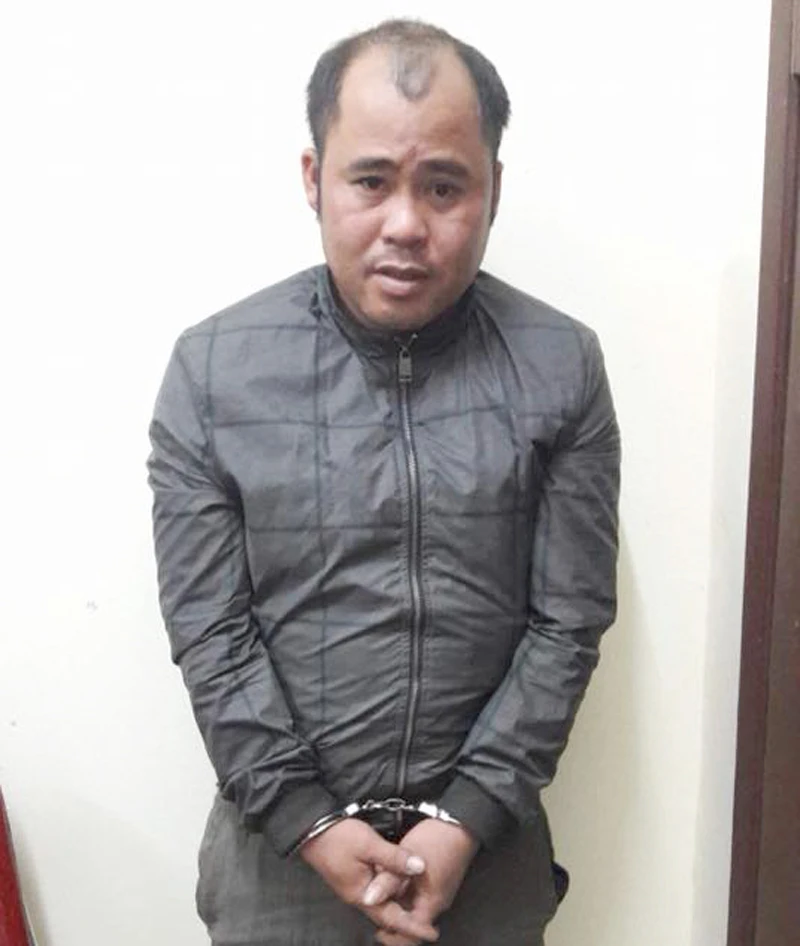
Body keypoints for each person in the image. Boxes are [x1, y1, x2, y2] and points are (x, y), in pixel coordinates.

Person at [148, 18, 620, 946]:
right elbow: (210, 630)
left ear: (492, 189)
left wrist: (462, 821)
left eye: (444, 185)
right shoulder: (213, 372)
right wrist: (311, 823)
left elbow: (568, 621)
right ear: (313, 177)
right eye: (370, 181)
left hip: (487, 852)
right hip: (282, 860)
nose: (406, 224)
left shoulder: (561, 365)